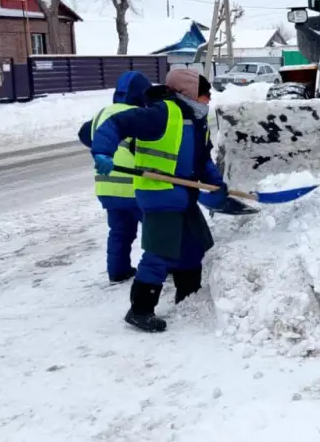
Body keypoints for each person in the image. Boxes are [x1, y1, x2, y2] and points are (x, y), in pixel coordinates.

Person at [90, 69, 229, 333]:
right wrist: (103, 151)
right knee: (160, 251)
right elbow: (117, 124)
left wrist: (217, 185)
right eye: (204, 94)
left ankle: (187, 295)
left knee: (193, 245)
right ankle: (140, 310)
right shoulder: (161, 113)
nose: (208, 100)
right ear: (188, 93)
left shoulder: (197, 121)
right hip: (159, 193)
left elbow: (202, 161)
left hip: (184, 194)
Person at [77, 70, 151, 283]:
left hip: (108, 187)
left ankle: (118, 272)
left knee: (119, 233)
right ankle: (160, 269)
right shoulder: (139, 116)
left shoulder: (102, 114)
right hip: (135, 188)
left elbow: (84, 134)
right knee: (153, 232)